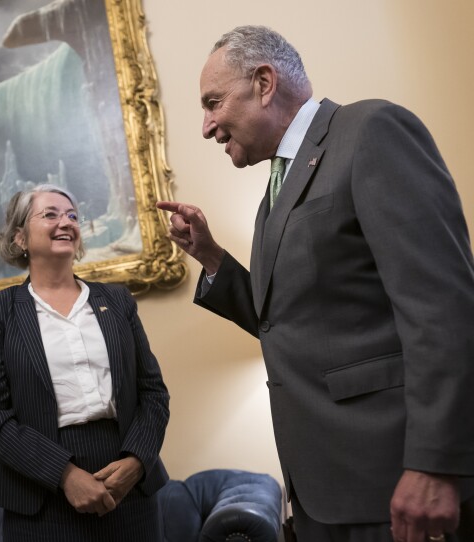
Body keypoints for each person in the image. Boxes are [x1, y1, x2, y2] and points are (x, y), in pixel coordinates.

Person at [157, 25, 474, 542]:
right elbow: (283, 321)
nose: (207, 126)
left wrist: (435, 463)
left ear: (263, 82)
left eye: (213, 103)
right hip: (321, 488)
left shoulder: (371, 130)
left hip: (392, 481)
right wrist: (211, 256)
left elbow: (443, 309)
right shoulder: (275, 190)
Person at [0, 184, 170, 541]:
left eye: (72, 215)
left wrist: (137, 462)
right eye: (50, 214)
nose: (66, 222)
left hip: (128, 485)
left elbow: (152, 392)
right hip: (39, 492)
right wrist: (64, 475)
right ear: (19, 237)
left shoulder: (117, 300)